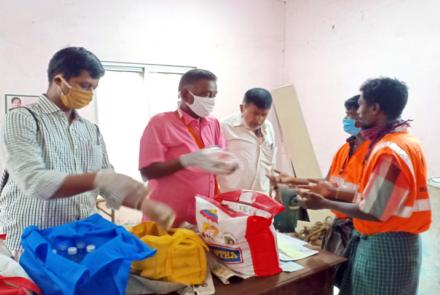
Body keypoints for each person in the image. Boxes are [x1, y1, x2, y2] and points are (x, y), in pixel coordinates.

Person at [0, 47, 175, 252]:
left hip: (79, 240)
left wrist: (144, 204)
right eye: (84, 85)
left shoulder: (90, 130)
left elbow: (109, 185)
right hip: (32, 245)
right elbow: (34, 182)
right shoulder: (22, 119)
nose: (89, 94)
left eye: (93, 88)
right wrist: (98, 178)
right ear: (58, 81)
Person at [298, 77, 431, 295]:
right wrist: (331, 191)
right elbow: (375, 196)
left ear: (375, 108)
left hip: (386, 247)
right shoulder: (404, 141)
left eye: (360, 105)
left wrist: (324, 202)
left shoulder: (390, 151)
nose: (357, 112)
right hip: (387, 240)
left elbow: (373, 210)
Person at [139, 69, 237, 226]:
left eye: (214, 95)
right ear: (185, 95)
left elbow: (221, 156)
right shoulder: (160, 123)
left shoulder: (214, 123)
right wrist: (186, 161)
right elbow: (147, 171)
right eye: (206, 94)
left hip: (201, 218)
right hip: (165, 220)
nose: (211, 100)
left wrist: (228, 164)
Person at [318, 95, 370, 255]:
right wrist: (295, 184)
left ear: (362, 116)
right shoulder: (344, 148)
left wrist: (329, 196)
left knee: (350, 276)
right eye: (345, 114)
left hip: (359, 226)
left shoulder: (374, 152)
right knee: (331, 272)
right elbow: (327, 181)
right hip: (339, 222)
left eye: (350, 114)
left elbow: (367, 199)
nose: (345, 119)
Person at [218, 88, 276, 194]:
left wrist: (275, 190)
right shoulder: (224, 127)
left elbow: (270, 164)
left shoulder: (268, 127)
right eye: (255, 113)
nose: (259, 120)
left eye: (264, 115)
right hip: (232, 198)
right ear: (242, 108)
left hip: (262, 197)